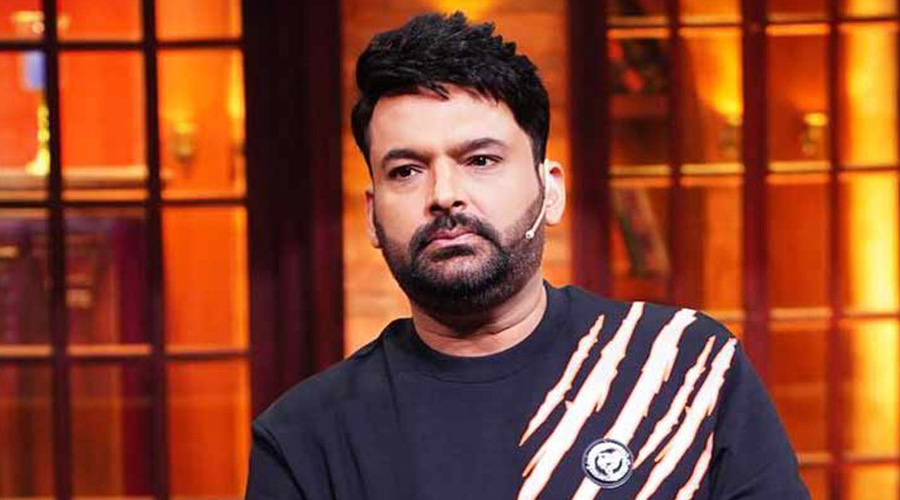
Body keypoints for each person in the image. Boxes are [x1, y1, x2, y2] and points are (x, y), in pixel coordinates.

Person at [245, 12, 810, 500]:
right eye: (407, 170)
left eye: (481, 160)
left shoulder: (686, 367)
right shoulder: (305, 437)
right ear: (373, 215)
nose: (444, 195)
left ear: (551, 191)